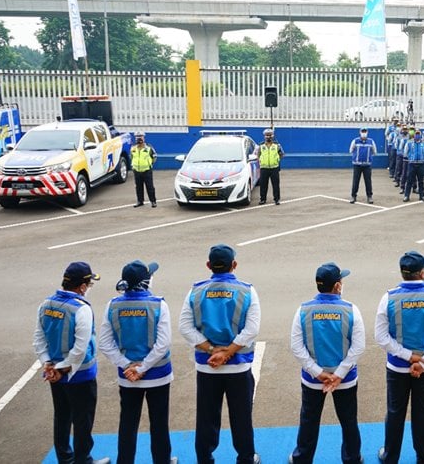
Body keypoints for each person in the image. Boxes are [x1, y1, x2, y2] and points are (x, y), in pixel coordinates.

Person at [179, 244, 261, 464]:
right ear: (234, 265)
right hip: (239, 366)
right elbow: (251, 329)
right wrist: (229, 352)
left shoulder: (195, 291)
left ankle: (204, 459)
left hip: (207, 366)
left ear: (208, 265)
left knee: (206, 418)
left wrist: (212, 350)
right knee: (241, 418)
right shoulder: (247, 291)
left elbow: (185, 327)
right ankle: (246, 458)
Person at [375, 251, 424, 464]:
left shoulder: (389, 297)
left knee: (395, 410)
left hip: (398, 366)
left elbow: (381, 336)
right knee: (423, 411)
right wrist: (422, 361)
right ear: (423, 273)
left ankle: (390, 456)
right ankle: (423, 455)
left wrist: (408, 357)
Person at [99, 260, 176, 464]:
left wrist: (127, 365)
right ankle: (163, 460)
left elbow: (105, 343)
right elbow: (163, 344)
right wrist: (143, 367)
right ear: (146, 281)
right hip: (158, 376)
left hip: (128, 377)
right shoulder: (158, 304)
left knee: (128, 423)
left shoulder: (113, 305)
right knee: (159, 423)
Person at [33, 262, 110, 464]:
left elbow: (39, 338)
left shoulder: (46, 304)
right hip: (80, 375)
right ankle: (83, 460)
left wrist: (48, 364)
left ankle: (65, 459)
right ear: (82, 287)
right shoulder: (81, 309)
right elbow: (80, 348)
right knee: (82, 421)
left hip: (55, 375)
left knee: (62, 417)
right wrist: (62, 369)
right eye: (89, 284)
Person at [289, 263, 365, 464]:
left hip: (313, 380)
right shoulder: (351, 310)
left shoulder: (303, 310)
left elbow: (297, 347)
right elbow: (358, 347)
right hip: (345, 379)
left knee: (309, 420)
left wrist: (317, 372)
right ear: (338, 286)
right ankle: (352, 458)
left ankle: (302, 458)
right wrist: (338, 374)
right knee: (348, 420)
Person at [349, 128, 377, 204]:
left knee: (368, 181)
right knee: (355, 181)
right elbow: (351, 150)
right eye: (362, 132)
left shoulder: (371, 141)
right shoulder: (355, 141)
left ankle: (369, 196)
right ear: (360, 132)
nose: (364, 133)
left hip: (367, 165)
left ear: (367, 133)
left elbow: (375, 152)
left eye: (365, 132)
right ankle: (353, 196)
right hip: (357, 165)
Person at [257, 128, 285, 205]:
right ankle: (263, 199)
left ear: (272, 136)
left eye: (270, 135)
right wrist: (261, 161)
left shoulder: (277, 145)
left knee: (275, 185)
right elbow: (258, 155)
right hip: (264, 168)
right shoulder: (261, 145)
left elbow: (282, 154)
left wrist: (277, 160)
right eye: (267, 135)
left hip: (274, 168)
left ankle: (277, 199)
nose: (268, 137)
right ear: (264, 136)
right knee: (263, 185)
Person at [131, 131, 157, 208]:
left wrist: (149, 164)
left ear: (144, 137)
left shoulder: (149, 148)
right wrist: (134, 166)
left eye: (141, 136)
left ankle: (153, 201)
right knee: (138, 187)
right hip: (137, 171)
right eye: (137, 137)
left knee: (150, 186)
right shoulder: (133, 148)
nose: (139, 138)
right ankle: (140, 201)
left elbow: (154, 157)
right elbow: (132, 157)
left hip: (147, 170)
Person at [404, 129, 424, 202]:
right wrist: (410, 158)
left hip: (421, 164)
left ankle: (422, 196)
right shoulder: (409, 143)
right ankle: (406, 196)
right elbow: (405, 152)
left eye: (418, 134)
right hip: (412, 164)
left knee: (421, 181)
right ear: (414, 135)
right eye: (416, 134)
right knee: (409, 180)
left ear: (420, 135)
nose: (417, 135)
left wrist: (423, 157)